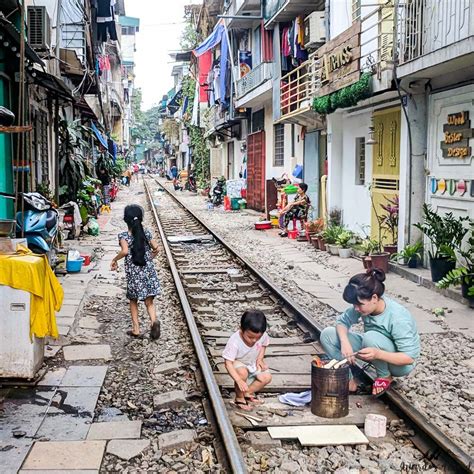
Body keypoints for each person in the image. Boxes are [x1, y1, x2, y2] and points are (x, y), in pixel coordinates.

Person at [320, 269, 420, 396]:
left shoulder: (398, 318)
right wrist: (345, 343)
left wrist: (378, 354)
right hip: (374, 348)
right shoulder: (364, 306)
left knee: (370, 337)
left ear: (374, 298)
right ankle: (347, 377)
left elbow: (409, 358)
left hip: (398, 364)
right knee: (328, 335)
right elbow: (342, 322)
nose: (356, 308)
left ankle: (384, 376)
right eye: (354, 304)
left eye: (359, 304)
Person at [110, 205, 161, 340]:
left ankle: (136, 329)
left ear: (126, 220)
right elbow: (156, 248)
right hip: (148, 272)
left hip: (134, 274)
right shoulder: (146, 233)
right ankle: (154, 321)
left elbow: (125, 251)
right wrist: (149, 258)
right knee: (149, 301)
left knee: (133, 300)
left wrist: (114, 260)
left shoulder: (124, 236)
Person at [222, 310, 272, 411]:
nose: (254, 340)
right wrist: (239, 380)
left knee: (266, 377)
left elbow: (264, 345)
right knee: (242, 373)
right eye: (250, 337)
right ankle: (239, 398)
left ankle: (247, 393)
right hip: (238, 362)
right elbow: (228, 363)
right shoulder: (235, 341)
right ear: (241, 329)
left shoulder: (262, 335)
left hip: (252, 362)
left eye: (258, 338)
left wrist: (260, 359)